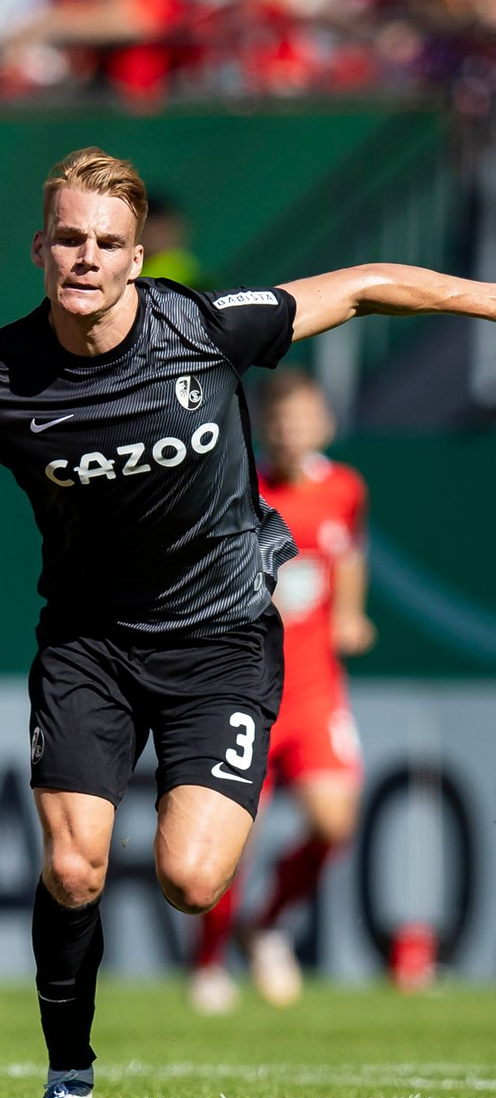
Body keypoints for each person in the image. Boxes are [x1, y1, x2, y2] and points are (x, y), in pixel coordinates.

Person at [0, 145, 496, 1098]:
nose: (86, 257)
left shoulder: (201, 327)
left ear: (136, 257)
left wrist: (487, 298)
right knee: (73, 864)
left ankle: (232, 941)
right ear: (39, 249)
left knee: (191, 881)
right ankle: (67, 1077)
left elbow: (370, 285)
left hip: (222, 644)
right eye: (68, 238)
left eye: (107, 243)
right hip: (90, 647)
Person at [189, 368, 373, 1015]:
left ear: (323, 423)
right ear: (266, 427)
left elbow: (347, 553)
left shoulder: (345, 489)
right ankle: (208, 962)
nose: (291, 431)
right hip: (250, 690)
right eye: (280, 420)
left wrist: (350, 613)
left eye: (303, 419)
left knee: (335, 821)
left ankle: (265, 925)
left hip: (318, 690)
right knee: (233, 839)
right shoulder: (243, 489)